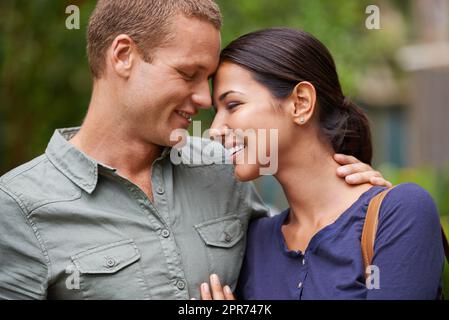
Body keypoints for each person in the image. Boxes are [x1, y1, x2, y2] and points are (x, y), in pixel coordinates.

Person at [0, 2, 389, 300]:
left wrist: (365, 207)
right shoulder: (19, 207)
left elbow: (304, 248)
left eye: (209, 80)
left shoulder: (224, 169)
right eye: (189, 75)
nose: (204, 99)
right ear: (122, 56)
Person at [199, 28, 445, 300]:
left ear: (301, 103)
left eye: (232, 105)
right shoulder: (256, 240)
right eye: (215, 112)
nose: (215, 129)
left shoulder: (402, 212)